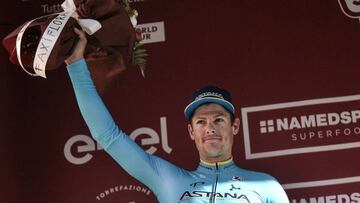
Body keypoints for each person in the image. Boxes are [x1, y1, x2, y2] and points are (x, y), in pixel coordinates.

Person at [65, 27, 290, 203]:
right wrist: (76, 64)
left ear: (235, 126)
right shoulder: (167, 179)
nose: (210, 127)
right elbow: (107, 135)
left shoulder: (267, 186)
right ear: (191, 131)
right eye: (201, 122)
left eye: (219, 119)